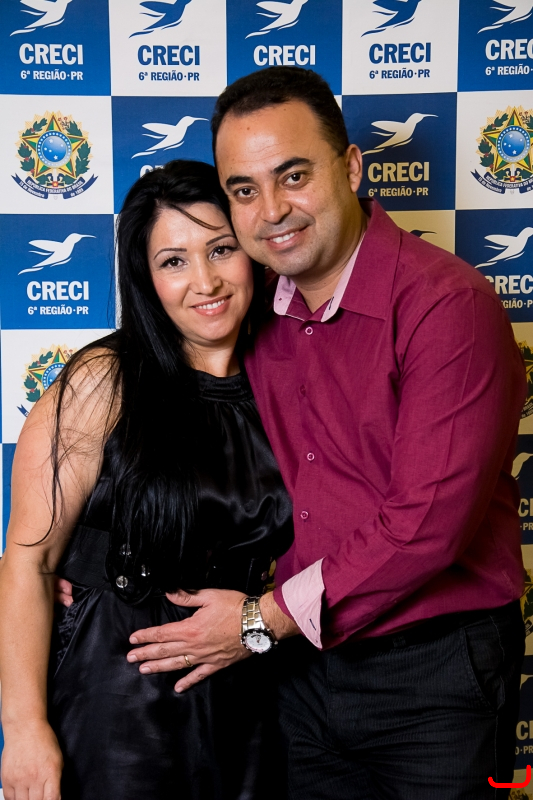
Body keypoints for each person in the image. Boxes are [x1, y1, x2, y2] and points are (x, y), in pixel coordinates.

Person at [124, 68, 528, 798]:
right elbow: (183, 424)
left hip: (431, 670)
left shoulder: (446, 306)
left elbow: (424, 525)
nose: (272, 209)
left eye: (293, 175)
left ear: (351, 167)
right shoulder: (252, 311)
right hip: (300, 669)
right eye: (244, 189)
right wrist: (92, 553)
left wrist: (260, 620)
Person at [0, 159, 293, 800]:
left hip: (254, 694)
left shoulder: (291, 381)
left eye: (221, 249)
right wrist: (23, 730)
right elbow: (28, 560)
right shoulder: (103, 380)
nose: (205, 281)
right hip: (115, 696)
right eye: (173, 261)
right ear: (145, 276)